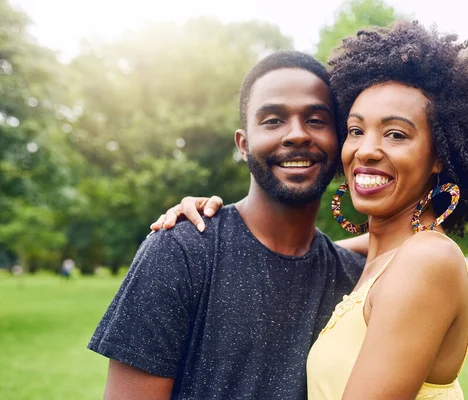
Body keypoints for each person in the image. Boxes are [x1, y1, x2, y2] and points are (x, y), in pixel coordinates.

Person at [155, 21, 468, 399]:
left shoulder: (428, 259)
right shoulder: (380, 258)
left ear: (439, 156)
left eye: (396, 134)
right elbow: (290, 255)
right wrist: (215, 225)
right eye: (356, 130)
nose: (366, 150)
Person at [88, 51, 367, 400]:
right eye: (273, 120)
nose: (297, 135)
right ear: (243, 143)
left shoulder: (357, 283)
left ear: (340, 140)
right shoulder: (179, 251)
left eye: (315, 120)